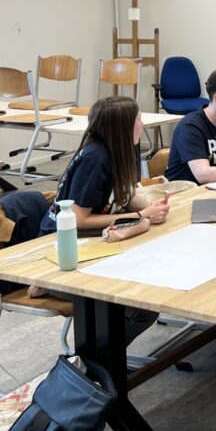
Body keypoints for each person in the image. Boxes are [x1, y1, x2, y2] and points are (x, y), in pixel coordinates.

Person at [39, 96, 170, 345]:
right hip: (59, 249)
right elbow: (77, 220)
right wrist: (140, 216)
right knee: (142, 307)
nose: (142, 124)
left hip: (94, 242)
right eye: (138, 119)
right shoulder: (95, 158)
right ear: (123, 127)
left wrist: (151, 208)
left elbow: (125, 193)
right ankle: (97, 360)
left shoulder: (124, 148)